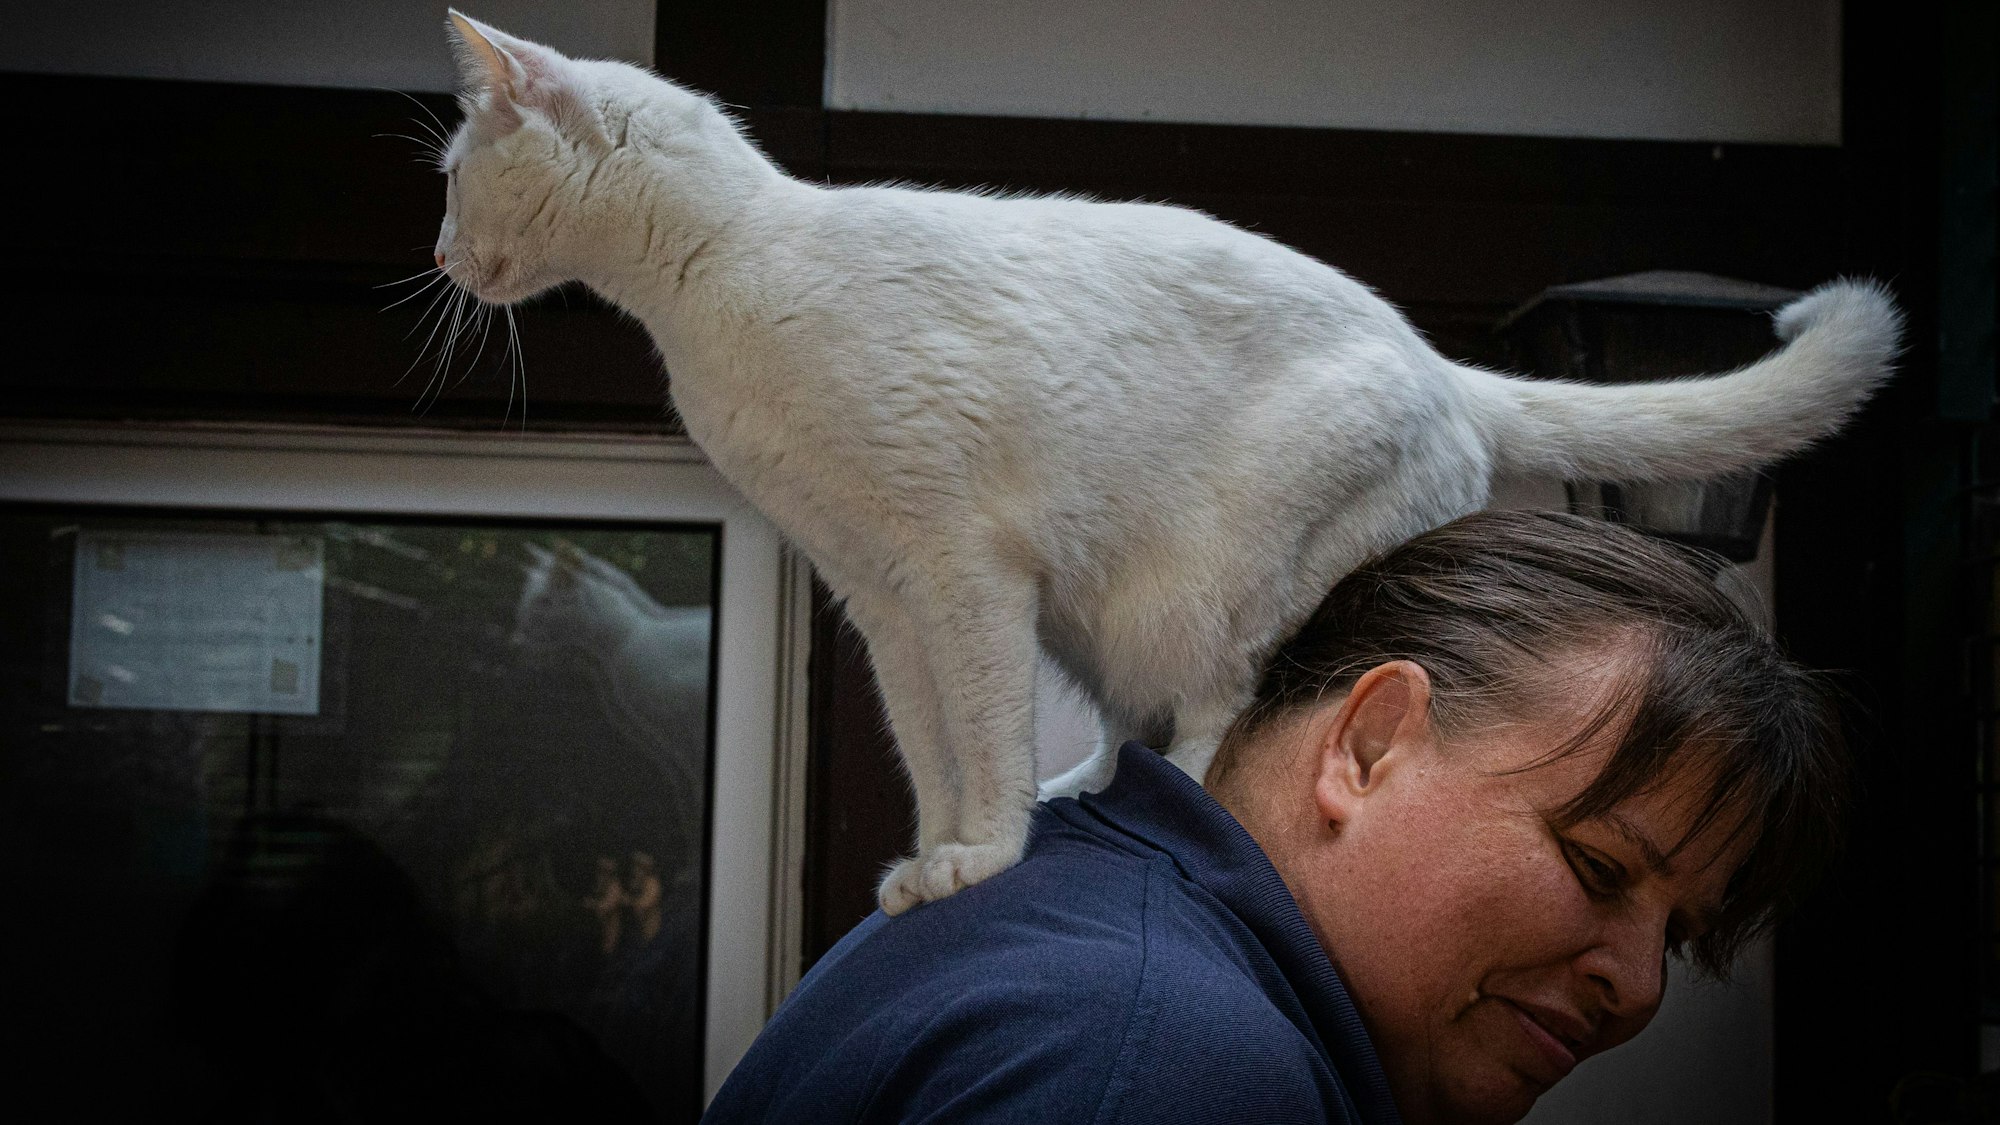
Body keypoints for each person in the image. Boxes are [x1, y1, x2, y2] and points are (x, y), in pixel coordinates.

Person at [704, 510, 1851, 1125]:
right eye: (1598, 868)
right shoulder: (1164, 1055)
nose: (1636, 987)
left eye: (1678, 937)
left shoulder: (1082, 930)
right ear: (1366, 745)